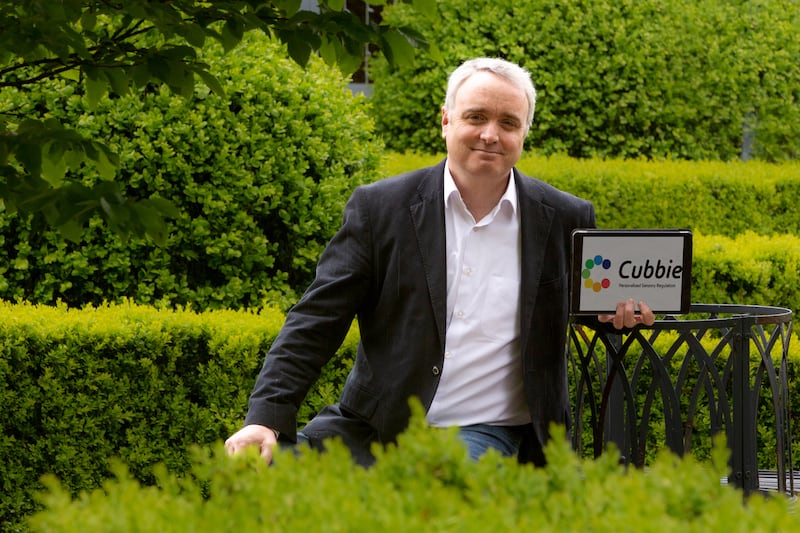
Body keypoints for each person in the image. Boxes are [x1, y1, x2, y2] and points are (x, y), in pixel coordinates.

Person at [225, 57, 654, 466]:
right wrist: (265, 417)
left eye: (508, 123)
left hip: (489, 432)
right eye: (476, 117)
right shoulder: (381, 209)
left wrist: (620, 311)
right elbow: (316, 320)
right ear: (446, 120)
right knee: (262, 473)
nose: (490, 134)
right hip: (373, 430)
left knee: (435, 492)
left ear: (525, 133)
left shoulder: (566, 217)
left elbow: (592, 306)